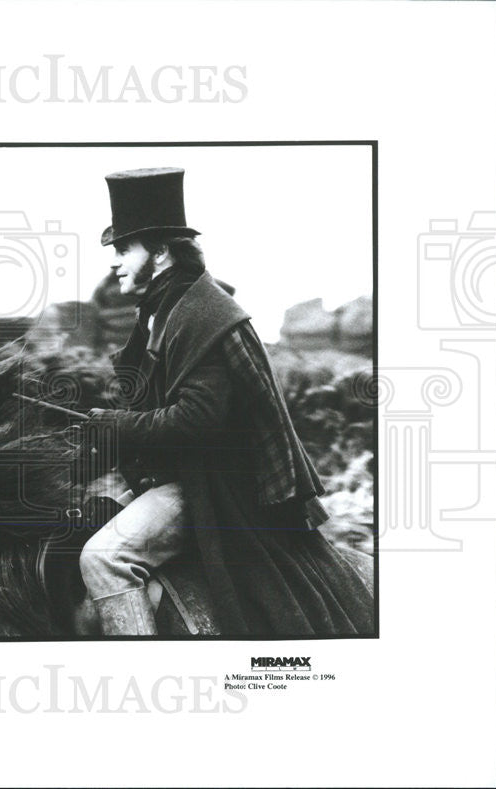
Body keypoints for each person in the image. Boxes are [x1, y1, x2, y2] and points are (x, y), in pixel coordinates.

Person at [79, 167, 373, 636]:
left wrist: (114, 424)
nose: (114, 264)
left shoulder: (201, 312)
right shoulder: (166, 309)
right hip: (185, 476)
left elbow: (199, 419)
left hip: (217, 488)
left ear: (158, 251)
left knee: (102, 558)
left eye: (122, 250)